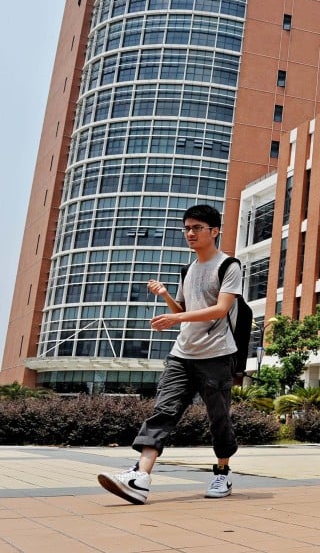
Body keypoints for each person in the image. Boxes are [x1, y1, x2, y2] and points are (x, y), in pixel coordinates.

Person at [97, 204, 241, 504]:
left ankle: (222, 473)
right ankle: (140, 476)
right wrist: (165, 297)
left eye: (197, 228)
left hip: (216, 355)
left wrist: (175, 320)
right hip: (182, 354)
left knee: (218, 419)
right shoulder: (187, 270)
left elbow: (220, 309)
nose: (190, 233)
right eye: (187, 227)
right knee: (164, 411)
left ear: (214, 231)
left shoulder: (229, 266)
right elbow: (185, 311)